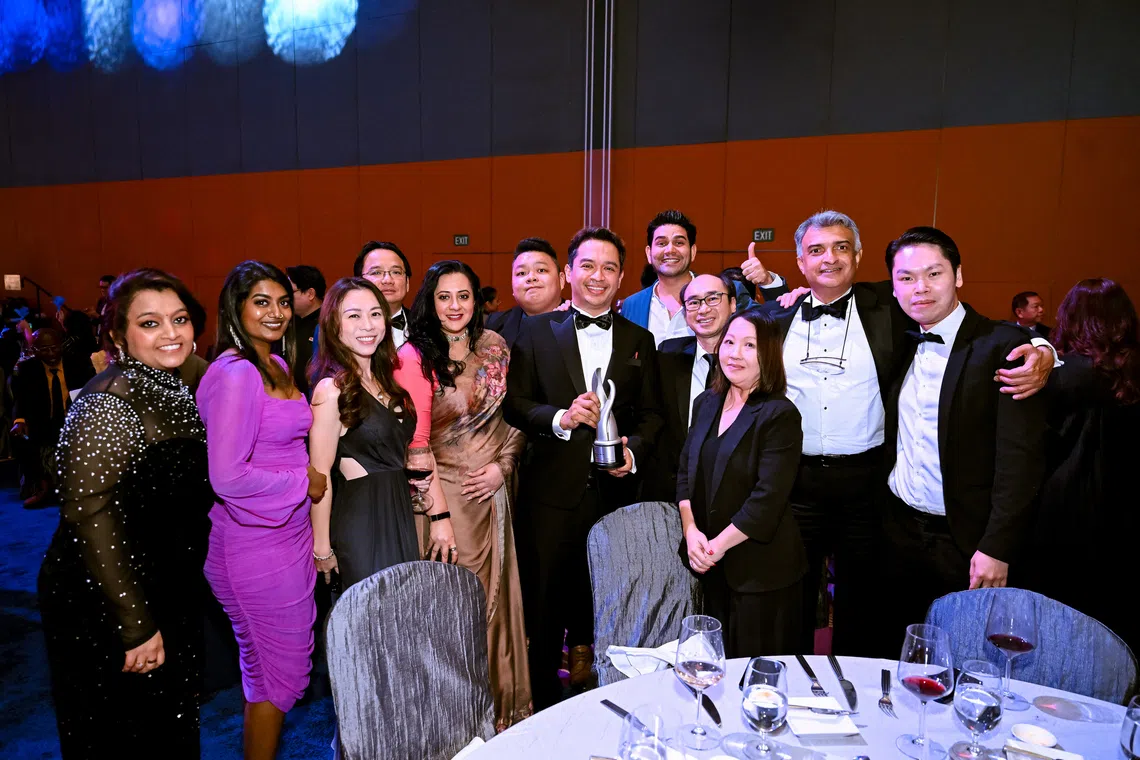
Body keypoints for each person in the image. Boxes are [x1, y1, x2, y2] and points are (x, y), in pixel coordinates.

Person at [743, 210, 1056, 656]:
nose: (919, 287)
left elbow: (1021, 454)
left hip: (869, 489)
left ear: (858, 256)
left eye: (841, 247)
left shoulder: (890, 310)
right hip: (798, 485)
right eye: (816, 250)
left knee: (869, 614)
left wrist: (1043, 349)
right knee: (791, 599)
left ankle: (856, 685)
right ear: (800, 261)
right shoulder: (777, 317)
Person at [38, 268, 212, 758]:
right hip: (106, 595)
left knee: (170, 728)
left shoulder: (176, 382)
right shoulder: (108, 401)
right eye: (150, 323)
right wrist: (134, 623)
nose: (171, 333)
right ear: (118, 335)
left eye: (179, 319)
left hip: (164, 582)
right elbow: (88, 513)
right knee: (123, 736)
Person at [504, 226, 663, 707]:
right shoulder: (535, 332)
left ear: (621, 278)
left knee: (611, 602)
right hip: (550, 495)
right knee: (544, 610)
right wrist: (560, 418)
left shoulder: (640, 339)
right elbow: (515, 404)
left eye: (609, 267)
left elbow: (652, 415)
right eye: (588, 266)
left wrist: (632, 452)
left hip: (615, 496)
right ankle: (543, 709)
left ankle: (612, 705)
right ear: (568, 273)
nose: (598, 276)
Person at [882, 227, 1047, 642]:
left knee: (965, 655)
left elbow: (1021, 461)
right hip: (899, 530)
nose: (920, 287)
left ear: (958, 275)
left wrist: (997, 546)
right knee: (903, 650)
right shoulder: (897, 339)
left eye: (934, 274)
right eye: (906, 278)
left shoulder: (1004, 347)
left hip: (966, 541)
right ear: (894, 287)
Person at [197, 261, 327, 760]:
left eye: (282, 301)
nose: (276, 312)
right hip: (253, 543)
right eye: (261, 302)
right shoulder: (236, 373)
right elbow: (228, 477)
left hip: (287, 534)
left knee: (269, 674)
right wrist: (305, 481)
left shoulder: (274, 363)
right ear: (236, 307)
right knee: (278, 674)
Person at [395, 260, 533, 729]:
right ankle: (455, 720)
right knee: (453, 607)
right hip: (442, 498)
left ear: (477, 300)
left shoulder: (495, 347)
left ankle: (498, 714)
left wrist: (502, 467)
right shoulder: (414, 355)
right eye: (444, 297)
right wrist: (439, 516)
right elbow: (414, 443)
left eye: (463, 296)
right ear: (429, 302)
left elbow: (516, 416)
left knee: (496, 606)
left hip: (492, 493)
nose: (454, 306)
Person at [679, 308, 806, 657]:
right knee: (714, 666)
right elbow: (685, 473)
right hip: (711, 566)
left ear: (768, 355)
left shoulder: (779, 414)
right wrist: (691, 531)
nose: (735, 353)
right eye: (730, 342)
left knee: (756, 674)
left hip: (761, 572)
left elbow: (767, 500)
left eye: (749, 345)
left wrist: (715, 547)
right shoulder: (706, 402)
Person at [1026, 278, 1139, 653]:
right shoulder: (1130, 370)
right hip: (1122, 515)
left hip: (1065, 512)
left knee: (1058, 625)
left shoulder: (1064, 376)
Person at [307, 277, 419, 591]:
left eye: (375, 314)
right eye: (354, 315)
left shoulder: (387, 383)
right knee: (371, 612)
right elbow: (320, 476)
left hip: (399, 511)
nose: (367, 325)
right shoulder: (331, 390)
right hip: (362, 522)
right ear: (334, 325)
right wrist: (322, 547)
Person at [619, 210, 788, 345]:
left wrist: (768, 282)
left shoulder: (727, 292)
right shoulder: (632, 305)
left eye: (679, 243)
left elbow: (777, 326)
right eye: (661, 243)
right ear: (649, 253)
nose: (670, 250)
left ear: (693, 252)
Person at [646, 273, 736, 502]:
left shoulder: (751, 361)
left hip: (734, 493)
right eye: (694, 302)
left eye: (713, 298)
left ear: (733, 304)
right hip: (673, 492)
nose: (703, 309)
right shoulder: (667, 355)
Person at [9, 328, 94, 507]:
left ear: (61, 345)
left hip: (74, 419)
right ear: (34, 350)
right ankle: (41, 487)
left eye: (54, 348)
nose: (51, 354)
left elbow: (94, 393)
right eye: (44, 349)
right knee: (20, 437)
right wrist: (19, 421)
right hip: (42, 421)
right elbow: (20, 399)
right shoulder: (27, 369)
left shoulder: (78, 363)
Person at [485, 237, 567, 349]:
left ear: (561, 280)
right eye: (522, 273)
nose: (531, 277)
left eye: (541, 270)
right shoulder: (495, 325)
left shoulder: (580, 321)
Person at [355, 241, 412, 348]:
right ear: (358, 282)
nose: (387, 280)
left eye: (396, 272)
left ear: (407, 283)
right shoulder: (343, 328)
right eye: (376, 272)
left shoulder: (427, 326)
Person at [286, 264, 326, 396]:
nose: (285, 298)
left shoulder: (329, 323)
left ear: (310, 294)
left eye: (290, 292)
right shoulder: (286, 322)